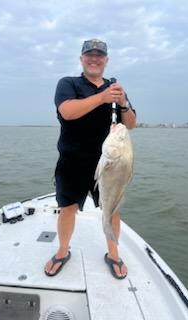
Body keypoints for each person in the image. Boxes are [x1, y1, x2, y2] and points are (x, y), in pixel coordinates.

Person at [44, 39, 136, 279]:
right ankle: (63, 251)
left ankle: (113, 254)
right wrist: (102, 98)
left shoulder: (116, 88)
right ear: (81, 58)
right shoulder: (68, 83)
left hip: (109, 164)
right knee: (67, 209)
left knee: (113, 210)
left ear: (106, 60)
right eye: (89, 55)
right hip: (72, 162)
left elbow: (132, 124)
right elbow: (67, 111)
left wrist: (123, 103)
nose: (94, 59)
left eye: (99, 55)